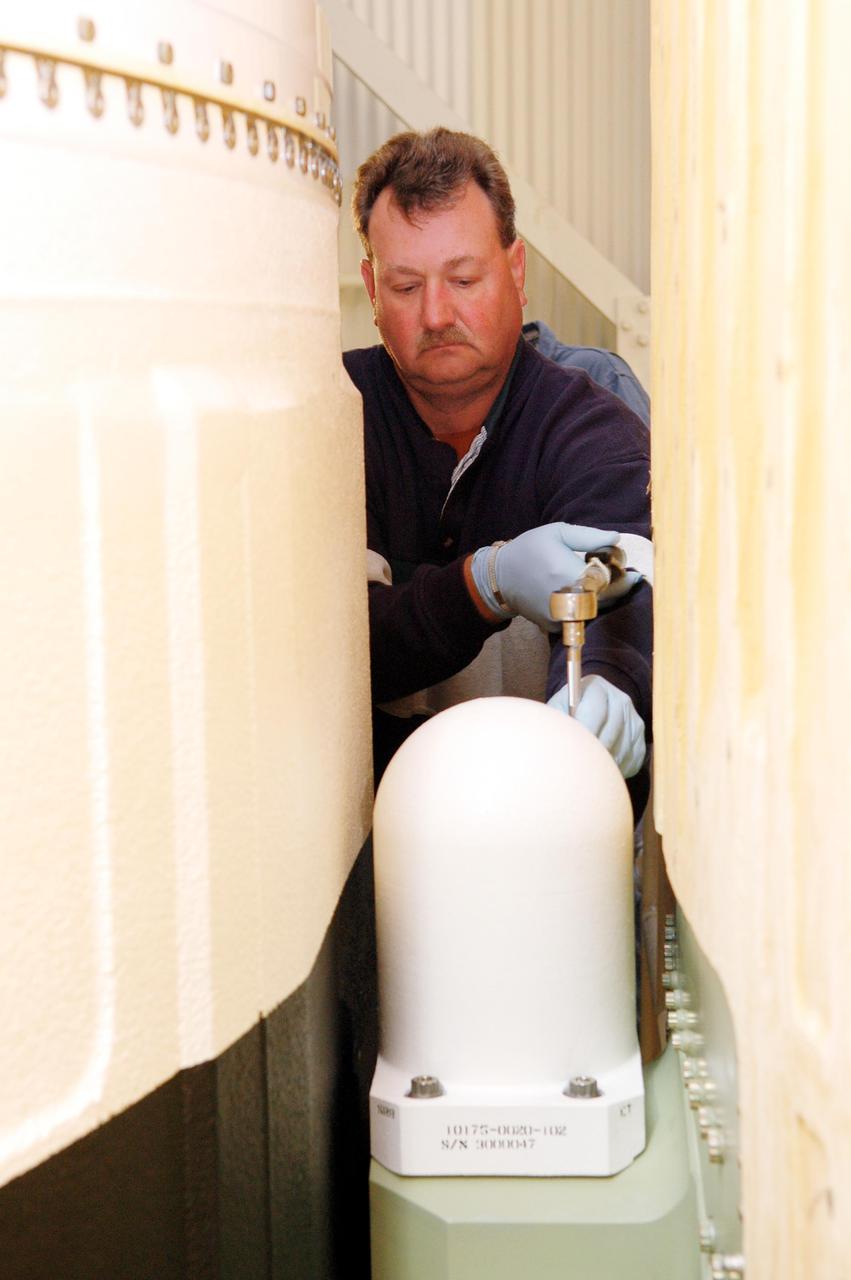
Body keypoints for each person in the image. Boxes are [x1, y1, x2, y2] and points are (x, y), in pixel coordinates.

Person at [343, 127, 652, 819]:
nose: (435, 314)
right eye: (405, 284)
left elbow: (630, 595)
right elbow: (346, 647)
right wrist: (485, 583)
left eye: (462, 279)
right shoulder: (334, 421)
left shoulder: (589, 429)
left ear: (515, 271)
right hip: (378, 842)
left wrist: (610, 683)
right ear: (369, 286)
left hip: (544, 832)